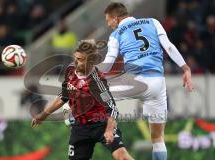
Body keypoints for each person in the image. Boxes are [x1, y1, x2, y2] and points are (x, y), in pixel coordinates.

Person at [99, 2, 194, 160]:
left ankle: (76, 116)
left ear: (116, 19)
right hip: (157, 82)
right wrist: (185, 68)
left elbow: (107, 65)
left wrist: (88, 72)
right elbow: (169, 47)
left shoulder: (115, 35)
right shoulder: (153, 22)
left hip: (134, 81)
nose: (108, 24)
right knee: (158, 139)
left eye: (108, 20)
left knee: (97, 93)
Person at [31, 40, 134, 160]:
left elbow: (112, 108)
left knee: (122, 157)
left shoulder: (97, 81)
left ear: (91, 61)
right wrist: (44, 114)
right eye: (75, 58)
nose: (75, 62)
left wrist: (109, 130)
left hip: (102, 124)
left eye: (80, 59)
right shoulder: (70, 71)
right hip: (80, 128)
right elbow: (64, 95)